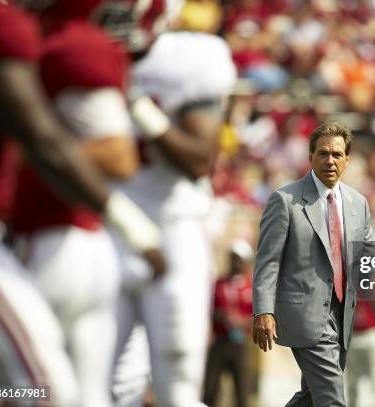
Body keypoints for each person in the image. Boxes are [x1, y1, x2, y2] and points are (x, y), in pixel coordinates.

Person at [0, 1, 164, 405]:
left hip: (67, 241)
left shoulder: (67, 44)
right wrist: (129, 223)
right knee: (44, 390)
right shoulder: (17, 30)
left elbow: (104, 153)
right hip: (39, 242)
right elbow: (43, 138)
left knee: (72, 393)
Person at [106, 7, 238, 404]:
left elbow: (199, 159)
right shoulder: (77, 52)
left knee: (176, 382)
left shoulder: (190, 59)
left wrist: (138, 106)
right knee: (108, 384)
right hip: (108, 228)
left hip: (173, 229)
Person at [252, 121, 375, 406]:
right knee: (332, 398)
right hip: (304, 315)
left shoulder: (359, 204)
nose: (329, 160)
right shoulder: (285, 200)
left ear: (347, 160)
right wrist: (263, 311)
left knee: (311, 398)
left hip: (343, 316)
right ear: (310, 157)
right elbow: (268, 261)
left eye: (336, 154)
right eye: (322, 153)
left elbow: (368, 261)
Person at [203, 239, 255, 407]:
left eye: (238, 258)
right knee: (211, 389)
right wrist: (222, 316)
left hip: (241, 344)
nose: (235, 262)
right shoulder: (219, 284)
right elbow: (208, 310)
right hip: (220, 341)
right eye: (233, 257)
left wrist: (242, 321)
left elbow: (259, 315)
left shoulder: (251, 286)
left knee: (242, 390)